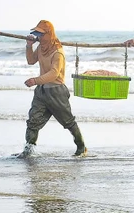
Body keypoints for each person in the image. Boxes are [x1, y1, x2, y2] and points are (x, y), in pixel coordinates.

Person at [19, 20, 86, 157]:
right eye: (36, 33)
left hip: (56, 92)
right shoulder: (42, 48)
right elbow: (31, 61)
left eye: (41, 34)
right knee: (33, 121)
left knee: (68, 122)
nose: (38, 37)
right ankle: (28, 151)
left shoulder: (58, 52)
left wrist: (35, 80)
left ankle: (81, 147)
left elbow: (54, 73)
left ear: (49, 34)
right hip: (41, 91)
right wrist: (28, 46)